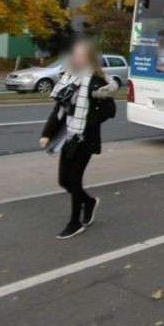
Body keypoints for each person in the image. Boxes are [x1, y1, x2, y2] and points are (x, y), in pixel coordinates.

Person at [39, 39, 118, 240]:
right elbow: (59, 109)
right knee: (63, 180)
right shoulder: (68, 78)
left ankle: (75, 223)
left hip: (86, 137)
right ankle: (89, 202)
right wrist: (47, 133)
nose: (77, 57)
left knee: (74, 180)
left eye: (82, 54)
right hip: (68, 135)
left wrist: (86, 119)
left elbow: (110, 110)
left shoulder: (97, 81)